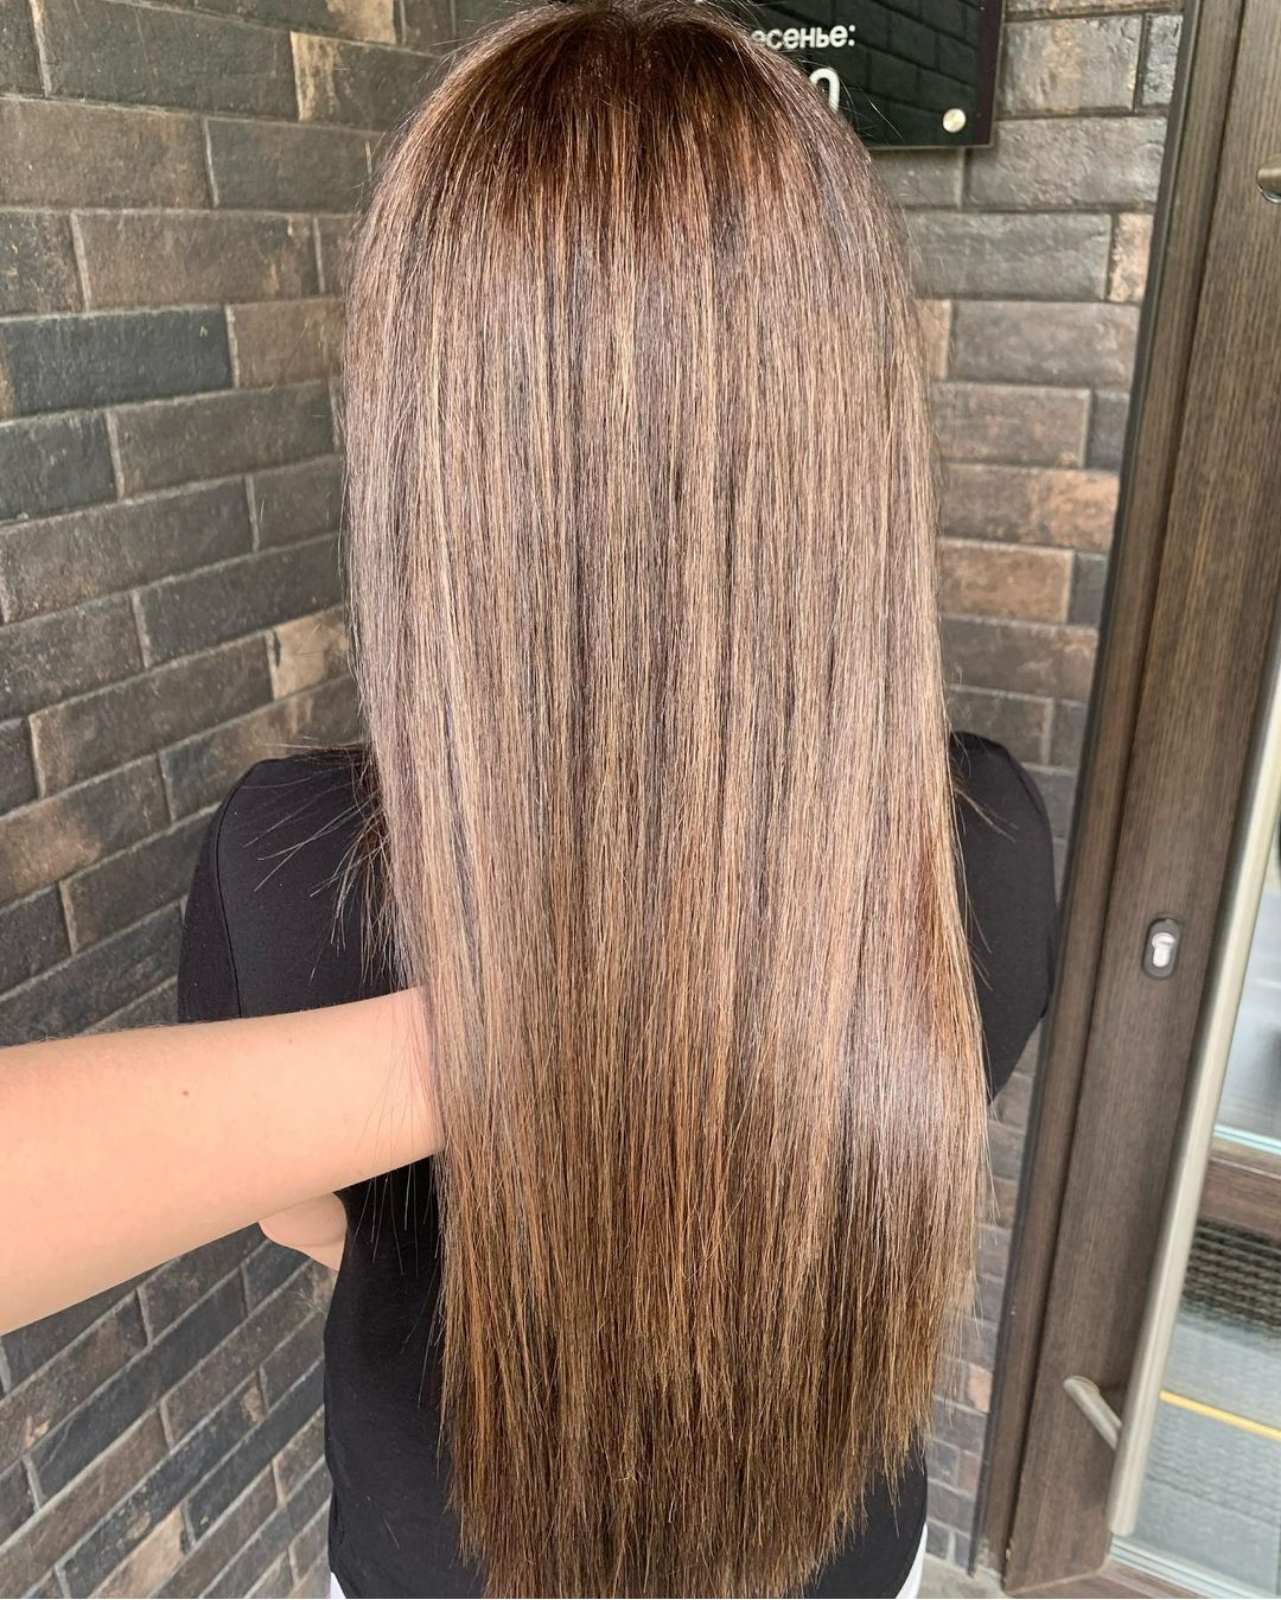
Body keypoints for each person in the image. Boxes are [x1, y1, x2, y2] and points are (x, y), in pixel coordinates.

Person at [1, 1, 1058, 1595]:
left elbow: (304, 1218)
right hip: (842, 1549)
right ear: (848, 432)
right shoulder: (977, 838)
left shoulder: (291, 860)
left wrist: (535, 1085)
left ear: (432, 447)